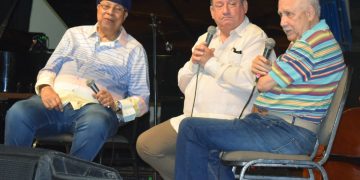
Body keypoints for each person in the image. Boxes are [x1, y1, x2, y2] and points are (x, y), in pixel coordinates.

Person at [174, 0, 346, 179]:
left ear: (310, 13)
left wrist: (265, 72)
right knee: (207, 141)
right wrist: (268, 69)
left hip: (288, 133)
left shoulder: (310, 43)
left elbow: (262, 85)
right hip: (279, 127)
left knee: (191, 128)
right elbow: (271, 79)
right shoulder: (316, 39)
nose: (282, 22)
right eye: (281, 15)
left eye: (289, 14)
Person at [136, 0, 275, 179]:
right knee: (148, 145)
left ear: (244, 7)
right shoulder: (205, 38)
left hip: (228, 123)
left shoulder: (256, 38)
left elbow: (251, 82)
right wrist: (194, 64)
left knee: (200, 157)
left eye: (232, 4)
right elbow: (183, 84)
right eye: (219, 5)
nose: (225, 11)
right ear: (211, 11)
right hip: (191, 120)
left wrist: (210, 63)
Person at [4, 0, 149, 161]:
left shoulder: (135, 50)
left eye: (117, 9)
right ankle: (15, 172)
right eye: (106, 6)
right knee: (18, 112)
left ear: (125, 15)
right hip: (56, 104)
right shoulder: (74, 34)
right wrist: (46, 88)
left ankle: (69, 175)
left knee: (96, 122)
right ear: (98, 8)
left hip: (96, 110)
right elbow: (49, 69)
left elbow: (142, 100)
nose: (110, 12)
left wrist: (116, 105)